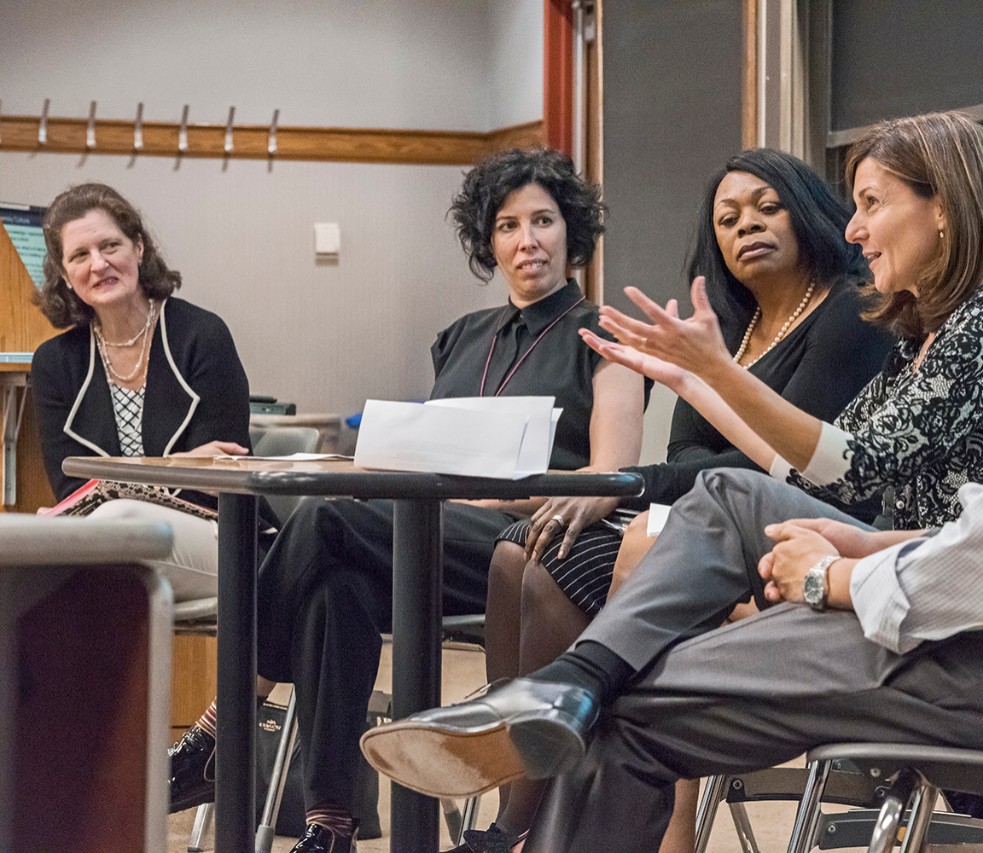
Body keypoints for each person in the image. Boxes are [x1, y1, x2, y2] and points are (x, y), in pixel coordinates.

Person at [360, 19, 983, 853]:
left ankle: (571, 686)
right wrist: (865, 540)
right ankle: (572, 680)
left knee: (627, 705)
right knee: (702, 531)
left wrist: (836, 574)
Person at [167, 147, 647, 853]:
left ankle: (225, 722)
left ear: (571, 231)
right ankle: (331, 821)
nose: (528, 240)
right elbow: (425, 452)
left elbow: (609, 476)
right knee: (336, 584)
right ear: (489, 240)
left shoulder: (603, 334)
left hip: (527, 547)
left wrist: (500, 501)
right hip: (427, 531)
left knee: (327, 517)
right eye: (509, 225)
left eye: (543, 221)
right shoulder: (459, 338)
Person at [467, 149, 894, 852]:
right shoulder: (730, 331)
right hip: (703, 512)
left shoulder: (846, 314)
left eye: (766, 207)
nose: (746, 226)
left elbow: (783, 464)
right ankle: (531, 802)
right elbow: (691, 459)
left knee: (560, 558)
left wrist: (628, 485)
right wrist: (641, 481)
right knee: (521, 550)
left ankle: (538, 813)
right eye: (728, 218)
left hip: (797, 528)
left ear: (809, 212)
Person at [30, 182, 252, 602]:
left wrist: (118, 483)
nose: (99, 264)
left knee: (115, 519)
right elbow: (72, 489)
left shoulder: (202, 336)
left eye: (110, 245)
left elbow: (219, 477)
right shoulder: (54, 364)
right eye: (80, 255)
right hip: (110, 542)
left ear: (139, 248)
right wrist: (173, 466)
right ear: (64, 274)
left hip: (222, 539)